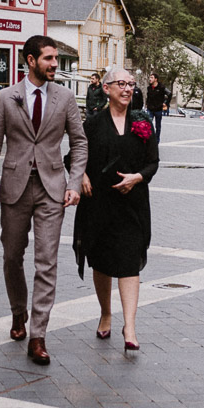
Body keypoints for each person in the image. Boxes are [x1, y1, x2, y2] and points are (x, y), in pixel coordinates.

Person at [0, 35, 88, 366]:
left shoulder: (66, 98)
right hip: (14, 187)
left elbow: (80, 143)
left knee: (47, 261)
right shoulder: (5, 97)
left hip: (52, 189)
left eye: (56, 59)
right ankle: (18, 312)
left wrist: (74, 183)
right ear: (30, 61)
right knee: (13, 256)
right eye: (48, 59)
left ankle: (39, 335)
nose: (55, 64)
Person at [73, 68, 159, 352]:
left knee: (129, 260)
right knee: (101, 260)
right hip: (99, 201)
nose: (127, 89)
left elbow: (153, 162)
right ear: (107, 89)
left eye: (131, 84)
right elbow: (74, 155)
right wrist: (82, 176)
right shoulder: (93, 124)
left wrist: (138, 177)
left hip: (132, 204)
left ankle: (130, 325)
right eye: (121, 84)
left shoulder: (143, 122)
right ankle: (106, 313)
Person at [145, 73, 168, 140]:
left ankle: (157, 140)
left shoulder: (162, 87)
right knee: (148, 124)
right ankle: (148, 139)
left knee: (158, 126)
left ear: (156, 79)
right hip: (150, 109)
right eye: (150, 77)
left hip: (158, 109)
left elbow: (169, 94)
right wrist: (147, 104)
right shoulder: (149, 88)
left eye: (152, 77)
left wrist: (165, 103)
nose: (150, 79)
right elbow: (148, 97)